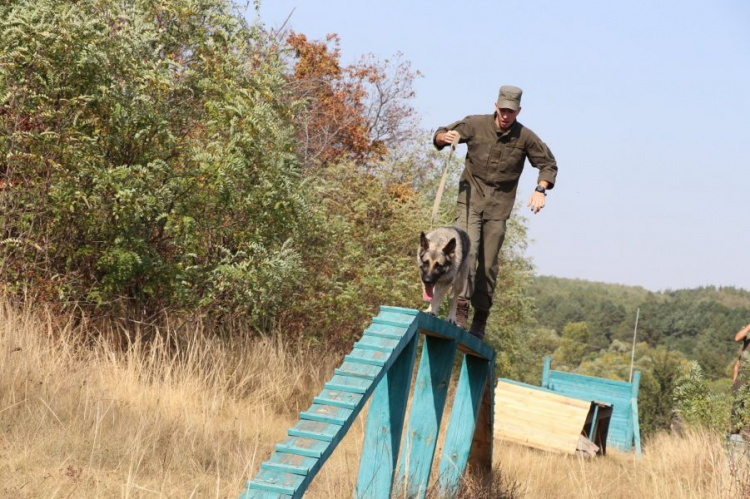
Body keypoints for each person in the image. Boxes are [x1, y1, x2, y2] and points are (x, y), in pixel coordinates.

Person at [433, 85, 558, 339]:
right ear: (495, 106)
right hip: (470, 201)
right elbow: (441, 133)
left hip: (499, 207)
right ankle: (460, 308)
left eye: (510, 112)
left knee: (487, 265)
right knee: (466, 255)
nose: (505, 116)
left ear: (518, 111)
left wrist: (540, 190)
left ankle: (480, 318)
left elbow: (548, 164)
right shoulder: (476, 124)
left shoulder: (525, 137)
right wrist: (442, 138)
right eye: (502, 110)